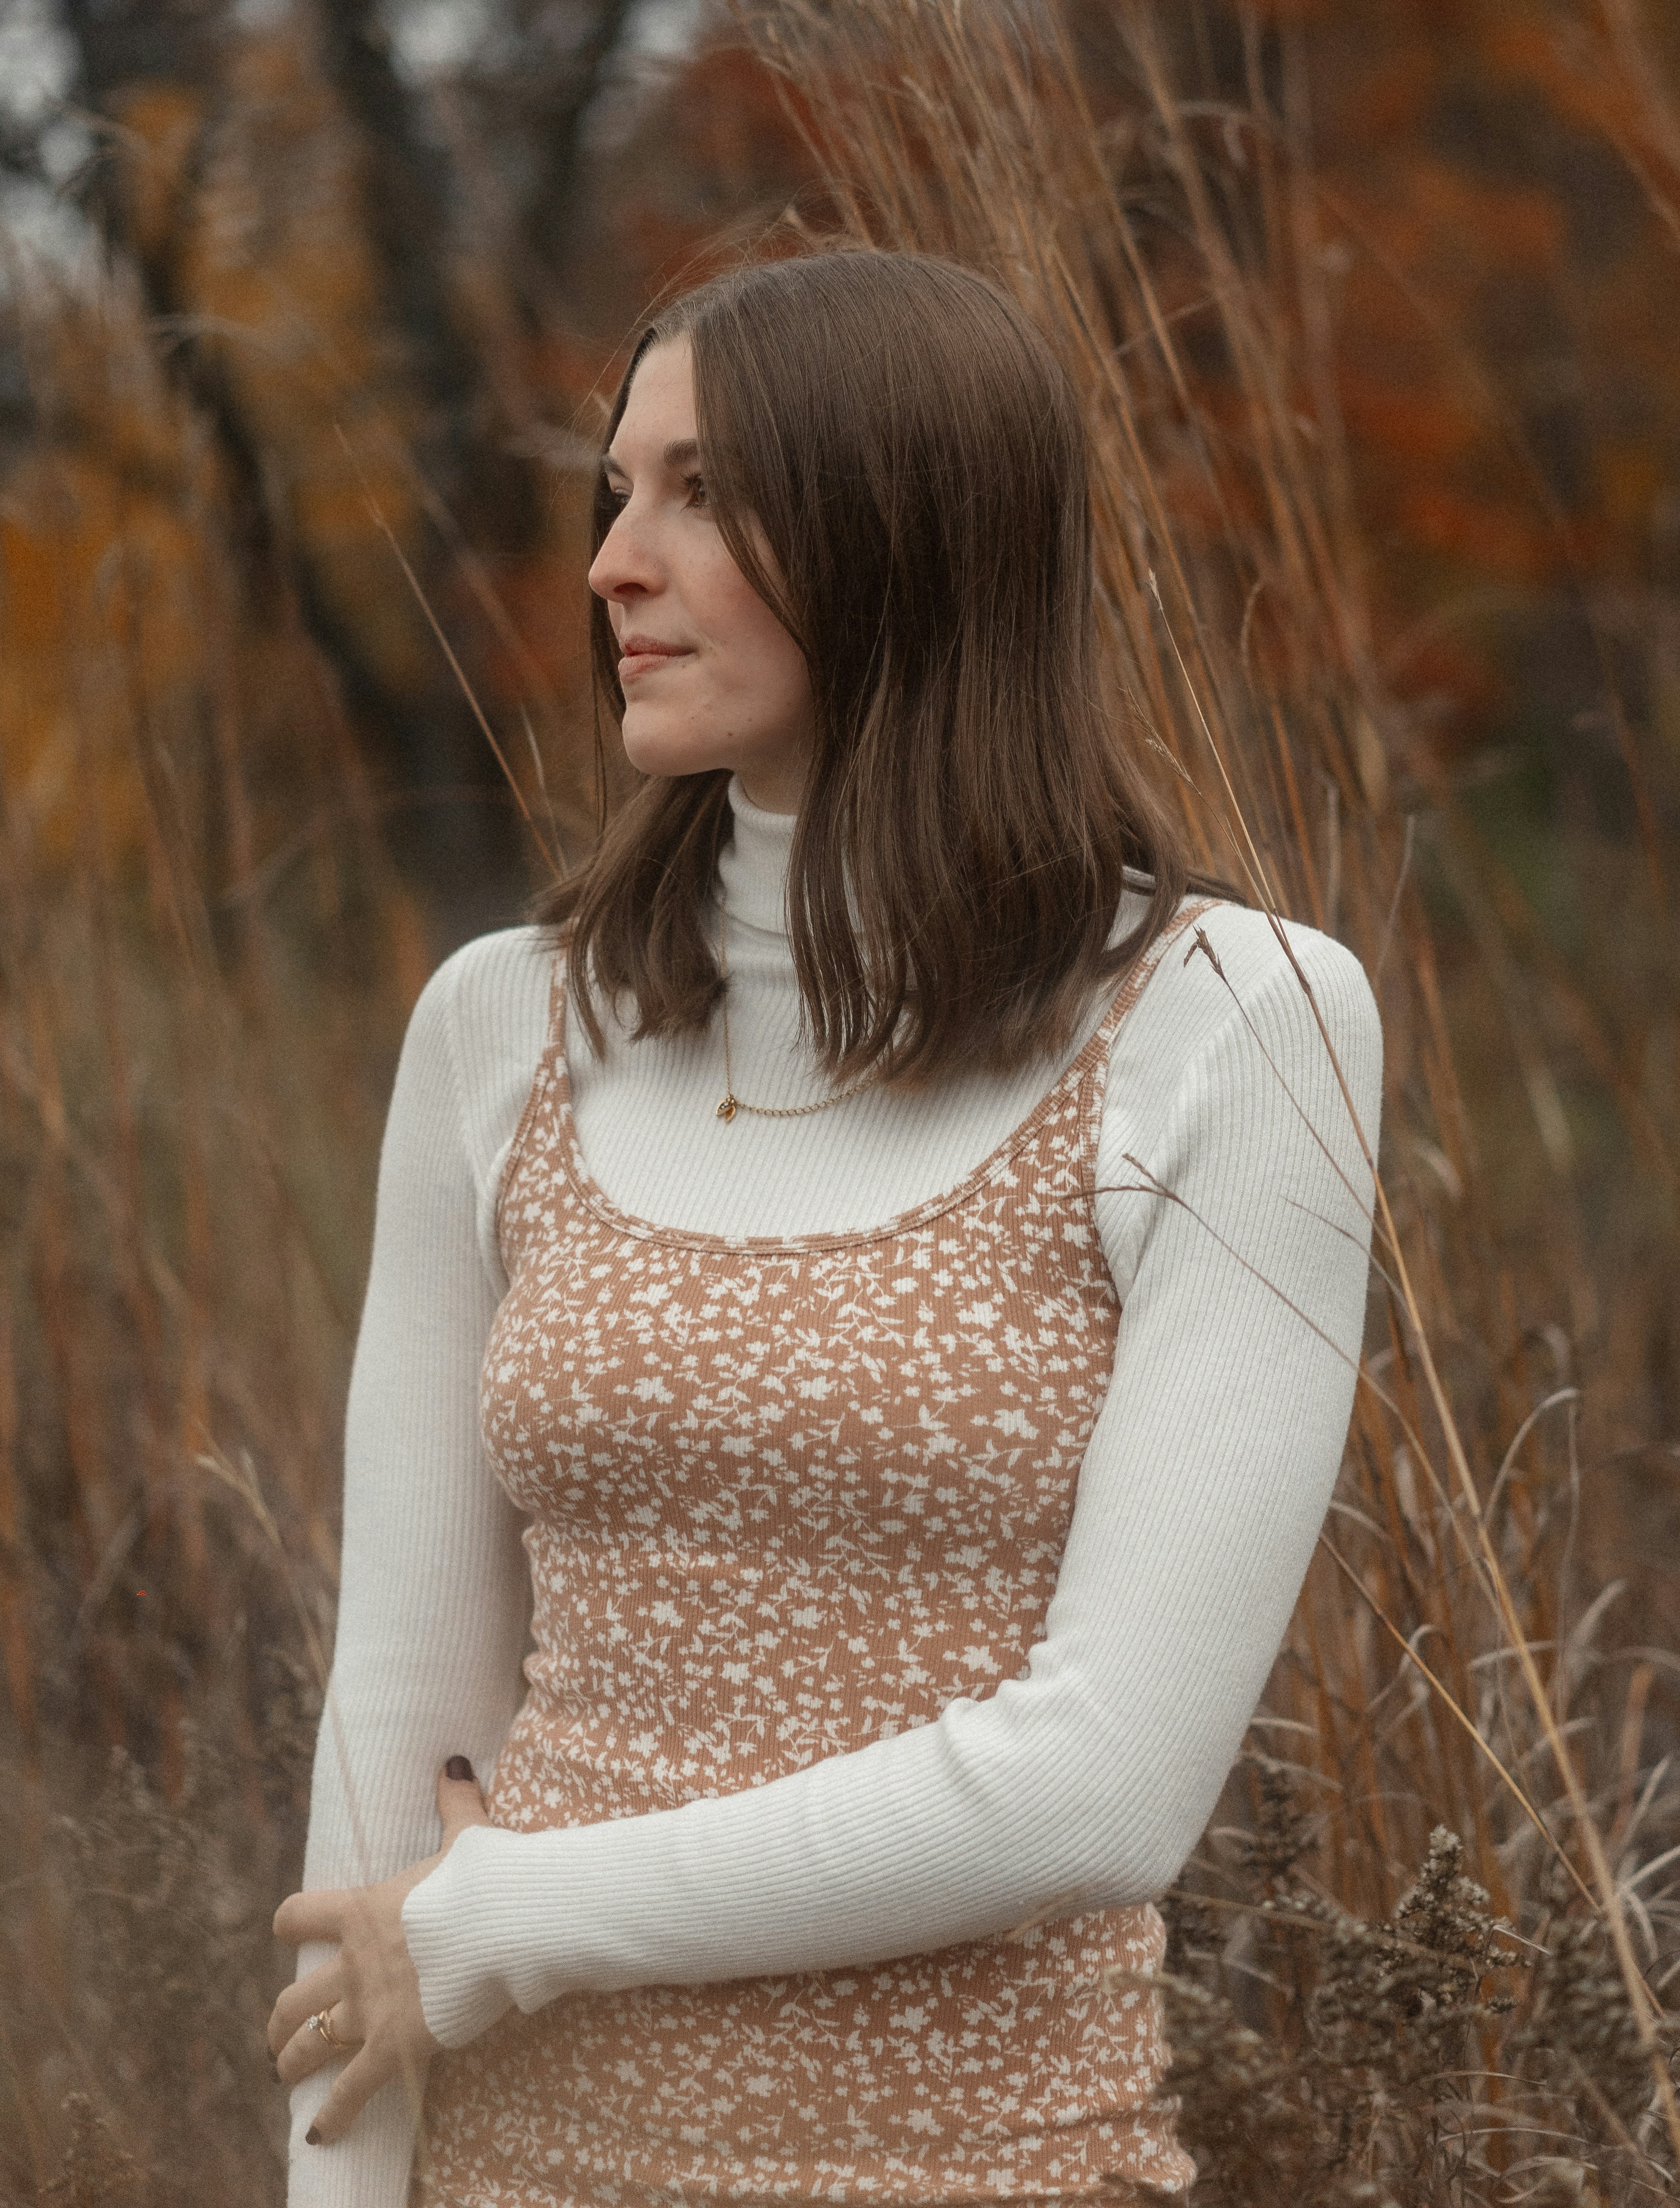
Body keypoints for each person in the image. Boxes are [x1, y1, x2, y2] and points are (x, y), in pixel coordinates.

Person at [268, 249, 1382, 2208]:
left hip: (980, 2165)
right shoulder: (500, 1025)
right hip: (522, 2167)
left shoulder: (1237, 1021)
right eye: (616, 491)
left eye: (701, 489)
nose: (616, 557)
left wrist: (512, 1910)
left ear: (908, 527)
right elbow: (397, 1722)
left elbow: (1106, 1781)